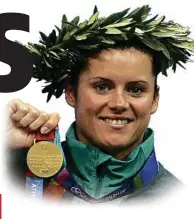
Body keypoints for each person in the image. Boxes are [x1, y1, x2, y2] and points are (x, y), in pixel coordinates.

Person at [7, 5, 194, 204]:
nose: (119, 103)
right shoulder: (14, 177)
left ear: (154, 99)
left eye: (136, 89)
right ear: (71, 91)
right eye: (102, 86)